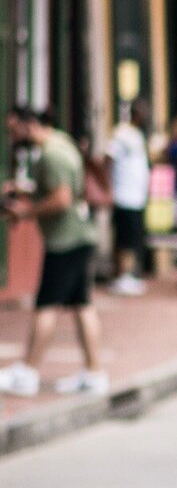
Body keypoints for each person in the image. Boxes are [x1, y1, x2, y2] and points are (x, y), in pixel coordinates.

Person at [0, 106, 108, 397]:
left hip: (65, 240)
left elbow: (61, 199)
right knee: (82, 305)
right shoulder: (62, 142)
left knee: (46, 305)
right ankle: (94, 372)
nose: (13, 135)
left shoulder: (51, 154)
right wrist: (26, 190)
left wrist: (26, 212)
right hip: (80, 236)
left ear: (29, 124)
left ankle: (28, 371)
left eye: (14, 129)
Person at [107, 98, 152, 295]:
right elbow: (108, 158)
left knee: (132, 237)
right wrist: (107, 186)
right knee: (125, 238)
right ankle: (122, 275)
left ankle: (126, 274)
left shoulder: (137, 135)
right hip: (124, 194)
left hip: (136, 195)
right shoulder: (122, 134)